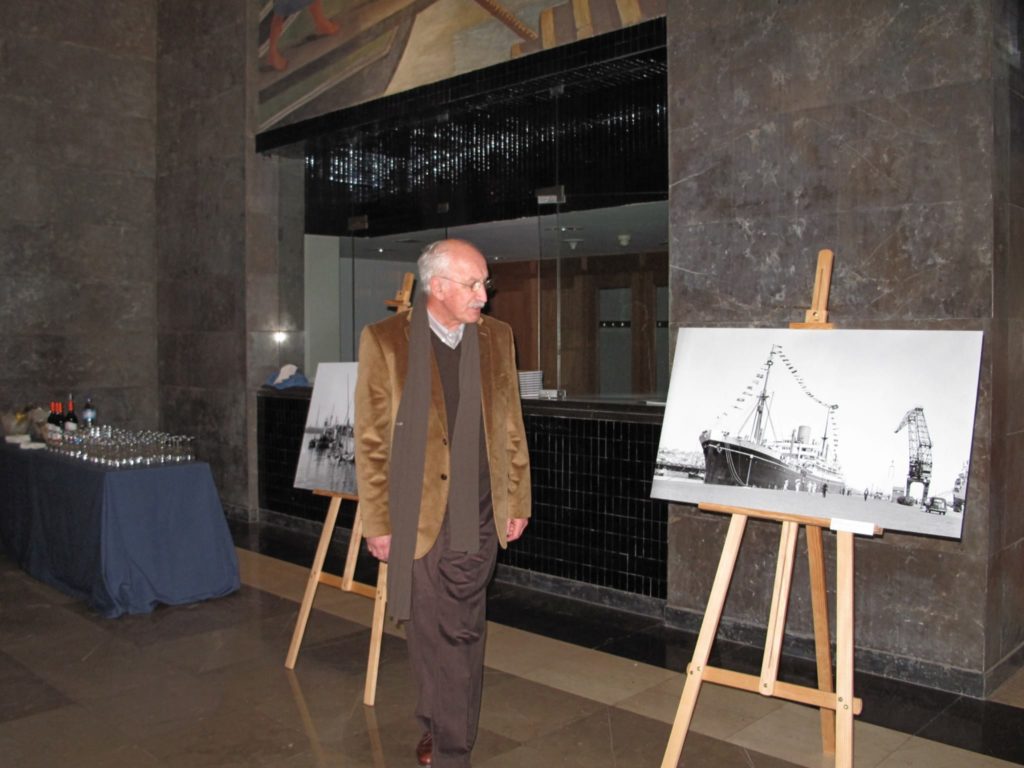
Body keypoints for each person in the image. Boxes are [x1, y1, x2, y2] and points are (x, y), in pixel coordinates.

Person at [354, 239, 531, 767]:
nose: (485, 295)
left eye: (484, 283)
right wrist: (379, 521)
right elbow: (371, 438)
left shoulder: (497, 338)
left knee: (458, 625)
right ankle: (434, 722)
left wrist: (516, 498)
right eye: (473, 284)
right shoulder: (385, 341)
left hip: (475, 509)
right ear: (439, 287)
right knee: (426, 623)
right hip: (413, 509)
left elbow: (509, 425)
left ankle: (452, 751)